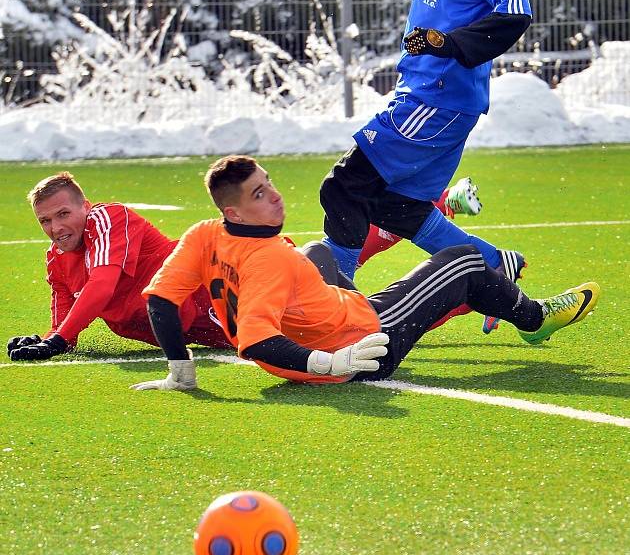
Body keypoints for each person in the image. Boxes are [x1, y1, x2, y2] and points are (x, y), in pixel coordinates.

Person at [131, 155, 598, 392]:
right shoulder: (270, 259)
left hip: (333, 326)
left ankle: (471, 287)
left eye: (268, 182)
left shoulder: (205, 232)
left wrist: (181, 372)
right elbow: (254, 340)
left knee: (320, 252)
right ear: (235, 209)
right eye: (259, 194)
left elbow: (160, 299)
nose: (273, 196)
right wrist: (331, 364)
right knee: (462, 260)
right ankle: (535, 319)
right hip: (366, 344)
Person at [319, 0, 532, 331]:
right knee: (399, 209)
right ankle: (492, 263)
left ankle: (338, 316)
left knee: (344, 188)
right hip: (428, 90)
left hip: (437, 96)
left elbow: (514, 9)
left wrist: (449, 43)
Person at [6, 172, 231, 362]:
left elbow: (102, 286)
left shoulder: (108, 217)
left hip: (221, 292)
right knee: (252, 344)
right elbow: (65, 332)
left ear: (85, 207)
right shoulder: (57, 259)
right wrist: (46, 341)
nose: (56, 228)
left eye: (63, 214)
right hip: (200, 327)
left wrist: (56, 341)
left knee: (261, 341)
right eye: (45, 221)